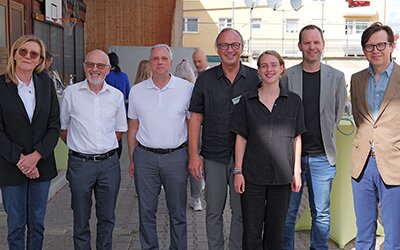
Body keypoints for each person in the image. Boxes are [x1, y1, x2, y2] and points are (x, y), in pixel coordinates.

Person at [188, 28, 260, 250]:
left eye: (235, 45)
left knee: (240, 212)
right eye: (224, 46)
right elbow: (195, 119)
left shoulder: (254, 79)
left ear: (242, 48)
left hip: (245, 160)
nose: (230, 50)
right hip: (213, 157)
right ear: (217, 49)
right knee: (213, 211)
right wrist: (193, 155)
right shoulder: (205, 80)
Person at [282, 24, 347, 250]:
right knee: (288, 214)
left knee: (321, 215)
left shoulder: (337, 77)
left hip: (322, 157)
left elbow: (337, 113)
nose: (312, 47)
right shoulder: (288, 76)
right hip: (292, 159)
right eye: (307, 43)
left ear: (323, 44)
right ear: (299, 46)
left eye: (316, 42)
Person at [232, 50, 305, 249]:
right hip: (253, 176)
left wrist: (296, 172)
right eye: (264, 65)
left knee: (276, 233)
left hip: (282, 177)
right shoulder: (247, 101)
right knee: (251, 232)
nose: (269, 69)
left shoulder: (294, 101)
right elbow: (241, 137)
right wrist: (238, 171)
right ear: (258, 71)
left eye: (274, 65)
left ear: (282, 69)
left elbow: (297, 137)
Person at [60, 49, 127, 250]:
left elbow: (119, 131)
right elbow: (63, 129)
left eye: (100, 66)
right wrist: (82, 147)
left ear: (108, 70)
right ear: (84, 67)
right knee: (81, 218)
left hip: (109, 165)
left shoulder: (116, 96)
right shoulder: (70, 93)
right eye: (90, 64)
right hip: (80, 165)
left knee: (107, 217)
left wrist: (102, 148)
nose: (94, 69)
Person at [127, 44, 193, 250]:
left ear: (171, 62)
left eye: (164, 58)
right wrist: (132, 159)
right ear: (150, 62)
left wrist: (193, 156)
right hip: (145, 158)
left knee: (178, 213)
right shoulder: (137, 91)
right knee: (146, 212)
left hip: (176, 157)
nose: (160, 62)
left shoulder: (186, 89)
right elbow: (132, 127)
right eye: (155, 59)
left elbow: (192, 125)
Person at [0, 34, 60, 249]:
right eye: (23, 51)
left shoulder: (46, 84)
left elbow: (54, 125)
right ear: (15, 54)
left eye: (34, 53)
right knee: (16, 225)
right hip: (10, 165)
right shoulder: (1, 85)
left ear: (40, 60)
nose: (28, 56)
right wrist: (22, 160)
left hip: (41, 164)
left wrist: (35, 157)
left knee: (37, 223)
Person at [350, 22, 400, 249]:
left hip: (394, 163)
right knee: (363, 233)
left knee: (394, 236)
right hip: (362, 165)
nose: (376, 50)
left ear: (392, 46)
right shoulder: (357, 79)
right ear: (364, 50)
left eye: (381, 44)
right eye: (370, 46)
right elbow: (360, 119)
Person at [175, 59, 203, 211]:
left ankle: (178, 199)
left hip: (180, 137)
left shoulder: (175, 89)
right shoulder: (195, 88)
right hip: (196, 135)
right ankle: (197, 199)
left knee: (180, 169)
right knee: (195, 167)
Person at [105, 52, 131, 158]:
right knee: (118, 135)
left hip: (106, 110)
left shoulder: (106, 76)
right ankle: (117, 157)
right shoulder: (124, 76)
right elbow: (128, 93)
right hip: (121, 110)